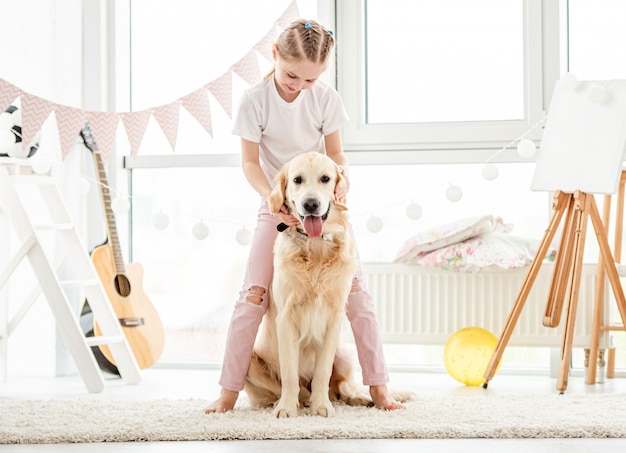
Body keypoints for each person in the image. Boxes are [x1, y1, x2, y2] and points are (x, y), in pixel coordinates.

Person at [205, 18, 404, 414]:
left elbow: (337, 154)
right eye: (292, 75)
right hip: (278, 202)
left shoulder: (326, 98)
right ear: (275, 55)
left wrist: (342, 180)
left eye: (309, 80)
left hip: (324, 205)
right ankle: (227, 393)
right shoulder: (255, 100)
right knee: (253, 297)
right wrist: (272, 197)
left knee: (358, 298)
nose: (298, 86)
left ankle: (380, 389)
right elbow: (249, 163)